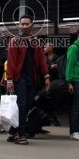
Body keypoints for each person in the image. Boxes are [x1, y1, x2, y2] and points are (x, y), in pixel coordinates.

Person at [6, 14, 50, 145]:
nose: (24, 26)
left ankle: (12, 132)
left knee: (28, 105)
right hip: (20, 79)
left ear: (32, 25)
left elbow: (42, 61)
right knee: (22, 105)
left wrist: (46, 76)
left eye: (27, 23)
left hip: (32, 78)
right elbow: (11, 62)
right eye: (22, 24)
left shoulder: (36, 42)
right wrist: (9, 80)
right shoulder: (15, 41)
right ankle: (21, 134)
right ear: (19, 25)